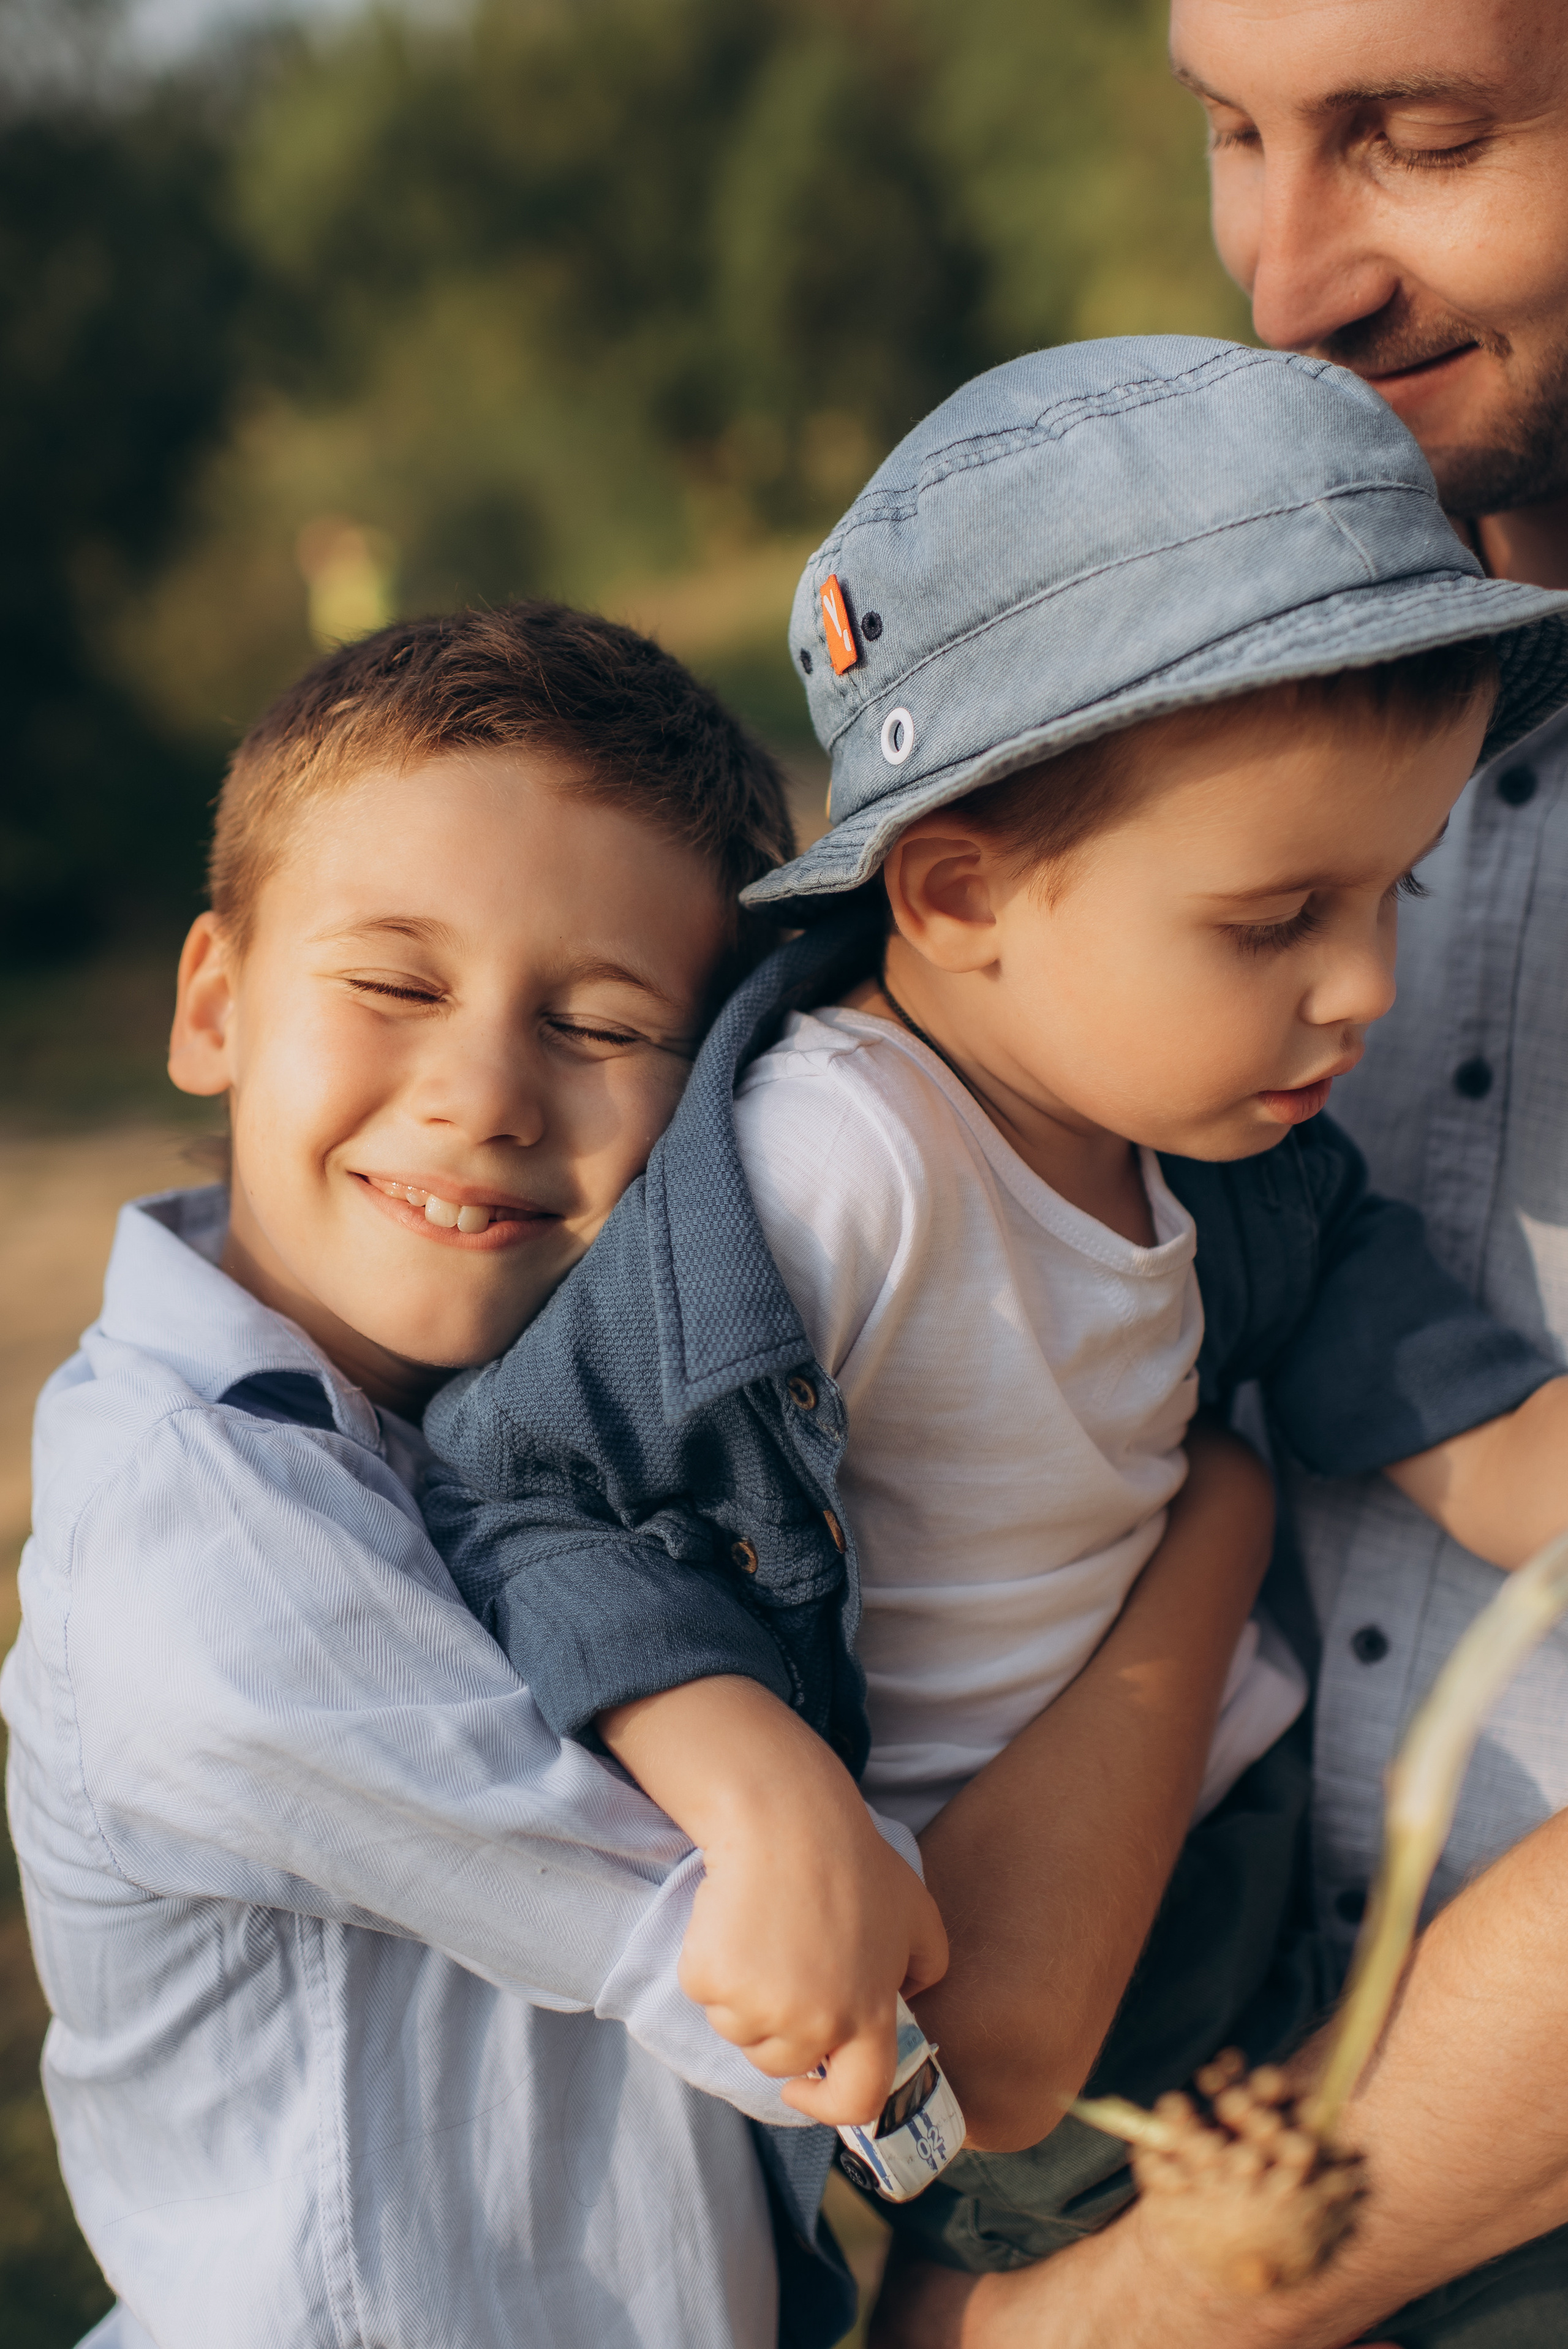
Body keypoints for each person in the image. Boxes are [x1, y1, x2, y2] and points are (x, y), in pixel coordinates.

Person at [420, 338, 1568, 2333]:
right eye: (1277, 915)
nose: (1364, 983)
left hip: (1224, 1865)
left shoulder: (1214, 1132)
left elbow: (1363, 1311)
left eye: (1398, 886)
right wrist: (759, 1790)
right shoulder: (839, 1173)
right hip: (988, 1994)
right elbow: (535, 1495)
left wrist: (1522, 1459)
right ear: (957, 893)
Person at [873, 7, 1568, 2342]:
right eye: (1232, 133)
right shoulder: (1198, 683)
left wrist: (1108, 2320)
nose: (1284, 285)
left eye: (1428, 135)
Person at [0, 601, 891, 2349]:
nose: (484, 1090)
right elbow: (810, 1988)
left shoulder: (554, 1432)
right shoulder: (194, 1533)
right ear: (213, 1004)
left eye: (604, 1023)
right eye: (396, 983)